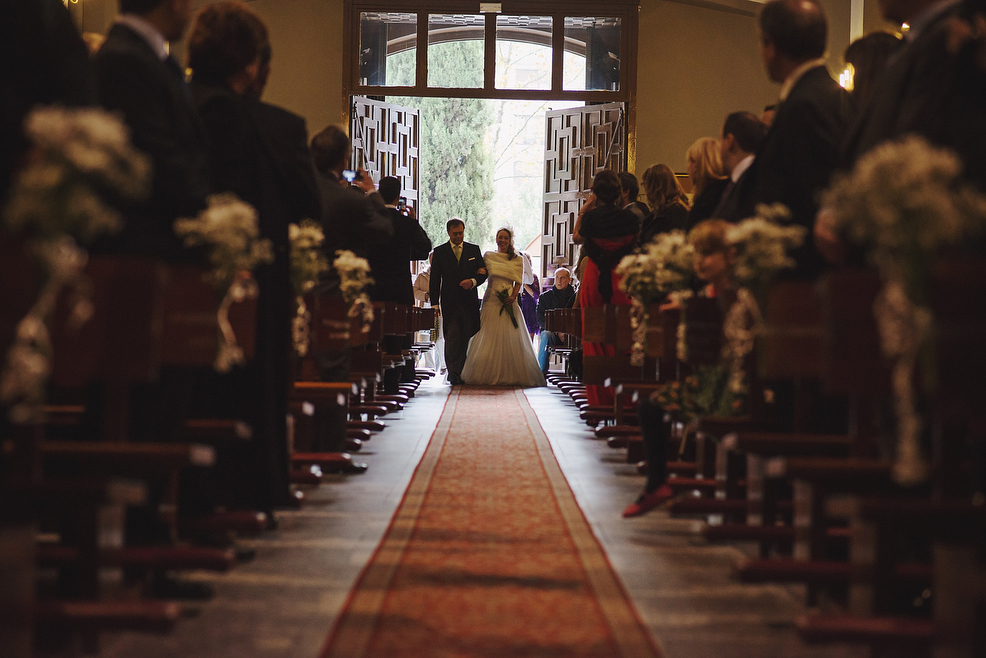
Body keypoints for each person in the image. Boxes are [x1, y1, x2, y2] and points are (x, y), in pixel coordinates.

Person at [623, 219, 741, 518]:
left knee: (655, 409)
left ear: (732, 255)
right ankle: (657, 483)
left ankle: (728, 489)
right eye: (698, 253)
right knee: (650, 408)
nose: (701, 261)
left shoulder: (741, 294)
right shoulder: (707, 295)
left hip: (734, 388)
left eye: (709, 253)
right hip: (708, 385)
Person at [93, 0, 212, 260]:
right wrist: (209, 214)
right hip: (144, 247)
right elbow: (155, 156)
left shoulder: (151, 57)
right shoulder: (124, 58)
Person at [741, 0, 850, 279]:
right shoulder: (830, 95)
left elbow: (802, 192)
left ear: (771, 46)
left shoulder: (805, 104)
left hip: (800, 275)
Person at [572, 170, 639, 406]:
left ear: (595, 193)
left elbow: (576, 237)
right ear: (619, 192)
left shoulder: (590, 219)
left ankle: (600, 399)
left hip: (595, 277)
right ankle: (625, 398)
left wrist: (585, 208)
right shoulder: (630, 219)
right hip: (620, 277)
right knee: (622, 335)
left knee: (594, 335)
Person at [367, 177, 432, 394]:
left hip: (372, 288)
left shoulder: (369, 221)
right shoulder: (407, 224)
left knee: (370, 338)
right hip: (398, 289)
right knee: (396, 339)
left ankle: (368, 385)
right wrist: (413, 223)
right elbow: (424, 250)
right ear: (398, 196)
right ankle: (392, 386)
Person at [460, 228, 546, 387]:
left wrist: (513, 296)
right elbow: (481, 274)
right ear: (496, 239)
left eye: (506, 238)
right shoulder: (488, 256)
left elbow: (518, 282)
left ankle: (511, 373)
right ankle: (486, 371)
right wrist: (479, 271)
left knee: (510, 338)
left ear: (510, 239)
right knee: (488, 335)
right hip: (491, 300)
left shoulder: (517, 259)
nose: (503, 240)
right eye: (500, 237)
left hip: (509, 300)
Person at [429, 218, 488, 386]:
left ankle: (464, 371)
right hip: (449, 303)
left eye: (461, 233)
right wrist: (435, 304)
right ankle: (453, 372)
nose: (458, 236)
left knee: (467, 336)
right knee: (452, 336)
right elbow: (434, 280)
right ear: (448, 233)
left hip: (469, 302)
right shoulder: (440, 252)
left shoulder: (473, 250)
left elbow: (483, 273)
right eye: (455, 234)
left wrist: (473, 281)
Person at [710, 111, 768, 221]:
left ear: (729, 142)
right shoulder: (759, 177)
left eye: (721, 139)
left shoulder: (751, 183)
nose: (719, 147)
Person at [536, 267, 577, 374]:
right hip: (553, 334)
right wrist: (557, 331)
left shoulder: (575, 297)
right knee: (545, 334)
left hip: (572, 335)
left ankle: (575, 374)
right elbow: (540, 318)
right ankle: (541, 373)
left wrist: (566, 331)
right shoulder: (545, 297)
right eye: (557, 278)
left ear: (569, 279)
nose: (559, 281)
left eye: (562, 278)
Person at [639, 164, 690, 245]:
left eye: (645, 184)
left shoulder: (675, 212)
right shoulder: (654, 214)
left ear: (655, 187)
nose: (644, 190)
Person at [684, 137, 730, 225]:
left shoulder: (704, 204)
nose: (688, 169)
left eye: (690, 162)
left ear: (696, 165)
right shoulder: (729, 190)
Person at [518, 252, 541, 341]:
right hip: (520, 304)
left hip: (529, 306)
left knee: (530, 333)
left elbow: (535, 295)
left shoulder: (533, 277)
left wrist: (524, 284)